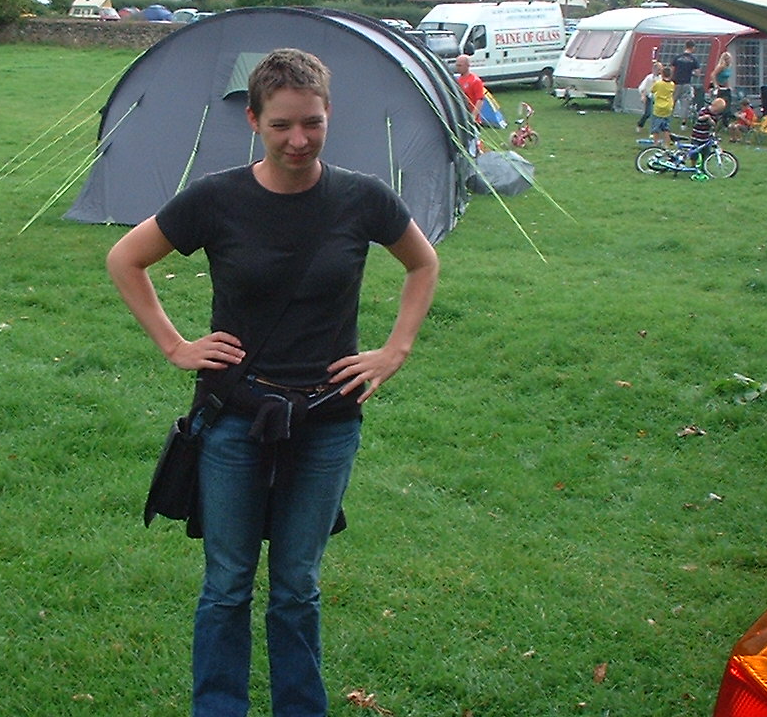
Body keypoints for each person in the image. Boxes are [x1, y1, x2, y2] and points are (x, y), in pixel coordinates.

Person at [106, 48, 440, 717]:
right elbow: (125, 258)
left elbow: (422, 264)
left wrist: (394, 350)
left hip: (327, 423)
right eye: (282, 124)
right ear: (254, 120)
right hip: (235, 416)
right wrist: (175, 346)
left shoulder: (362, 198)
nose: (299, 140)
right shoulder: (217, 198)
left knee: (296, 586)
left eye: (312, 123)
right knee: (227, 584)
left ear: (329, 114)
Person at [686, 96, 728, 168]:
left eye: (718, 112)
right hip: (697, 135)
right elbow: (698, 118)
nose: (716, 112)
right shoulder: (704, 110)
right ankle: (693, 165)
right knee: (694, 152)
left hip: (706, 137)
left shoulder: (715, 115)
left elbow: (714, 124)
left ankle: (704, 166)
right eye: (715, 110)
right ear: (713, 105)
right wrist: (706, 117)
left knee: (706, 153)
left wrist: (711, 121)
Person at [670, 41, 701, 126]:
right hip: (686, 84)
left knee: (672, 102)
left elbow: (672, 70)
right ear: (692, 47)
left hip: (676, 83)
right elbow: (698, 73)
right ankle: (683, 124)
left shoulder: (677, 57)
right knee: (685, 104)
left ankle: (667, 120)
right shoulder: (693, 59)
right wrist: (691, 72)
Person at [649, 64, 676, 148]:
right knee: (666, 128)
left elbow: (652, 90)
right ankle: (667, 144)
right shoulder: (672, 84)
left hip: (659, 107)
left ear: (662, 74)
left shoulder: (658, 83)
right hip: (668, 107)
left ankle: (656, 143)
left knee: (655, 127)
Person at [455, 54, 486, 123]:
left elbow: (480, 100)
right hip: (463, 116)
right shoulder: (459, 79)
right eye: (457, 65)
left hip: (472, 119)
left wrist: (473, 116)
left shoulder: (475, 81)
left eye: (460, 65)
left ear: (467, 65)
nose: (457, 68)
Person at [636, 59, 661, 132]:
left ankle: (656, 128)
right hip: (649, 97)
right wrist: (643, 96)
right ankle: (640, 124)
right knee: (648, 113)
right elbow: (643, 87)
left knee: (658, 114)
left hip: (658, 97)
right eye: (658, 69)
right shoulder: (649, 77)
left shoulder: (661, 78)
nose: (659, 71)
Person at [709, 51, 733, 122]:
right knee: (717, 103)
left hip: (723, 86)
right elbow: (713, 75)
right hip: (717, 85)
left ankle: (725, 119)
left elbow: (726, 78)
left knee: (726, 102)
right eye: (727, 59)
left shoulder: (728, 67)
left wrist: (728, 86)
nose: (728, 60)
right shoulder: (721, 66)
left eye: (729, 58)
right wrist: (716, 85)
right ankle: (714, 119)